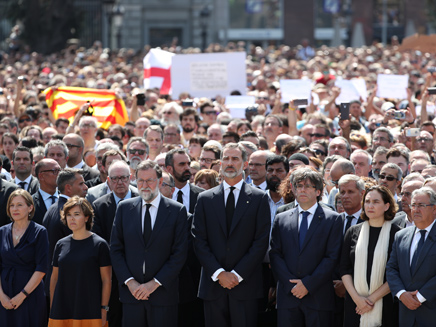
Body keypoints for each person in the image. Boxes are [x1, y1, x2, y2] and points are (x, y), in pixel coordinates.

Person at [192, 143, 271, 327]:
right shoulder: (205, 199)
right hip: (213, 286)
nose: (230, 163)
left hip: (245, 286)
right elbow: (198, 240)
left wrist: (236, 274)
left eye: (235, 159)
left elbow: (260, 242)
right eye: (226, 158)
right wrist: (219, 274)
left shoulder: (259, 198)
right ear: (220, 163)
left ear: (244, 164)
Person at [110, 160, 188, 327]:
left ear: (160, 182)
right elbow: (116, 249)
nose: (144, 185)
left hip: (163, 295)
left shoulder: (176, 210)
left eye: (149, 180)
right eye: (140, 180)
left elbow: (179, 253)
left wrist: (154, 284)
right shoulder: (124, 208)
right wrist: (130, 283)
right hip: (132, 295)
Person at [269, 167, 342, 327]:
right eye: (299, 186)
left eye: (308, 186)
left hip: (318, 298)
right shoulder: (281, 219)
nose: (302, 190)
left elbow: (332, 257)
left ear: (318, 191)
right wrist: (291, 285)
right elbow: (275, 254)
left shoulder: (333, 219)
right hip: (288, 297)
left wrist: (307, 284)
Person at [340, 185, 401, 327]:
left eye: (375, 202)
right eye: (367, 202)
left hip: (385, 304)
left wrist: (371, 300)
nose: (370, 206)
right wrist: (358, 300)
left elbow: (397, 272)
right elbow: (344, 269)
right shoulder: (353, 232)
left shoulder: (398, 234)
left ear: (387, 206)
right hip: (355, 304)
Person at [49, 196, 111, 326]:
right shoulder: (60, 244)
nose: (72, 218)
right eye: (68, 215)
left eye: (77, 214)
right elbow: (54, 279)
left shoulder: (100, 245)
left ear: (87, 217)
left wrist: (104, 309)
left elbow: (106, 280)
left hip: (90, 310)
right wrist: (52, 307)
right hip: (62, 310)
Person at [387, 187, 436, 327]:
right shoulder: (401, 235)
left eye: (421, 205)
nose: (416, 209)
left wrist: (420, 297)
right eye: (413, 205)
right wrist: (402, 294)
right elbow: (391, 268)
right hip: (406, 314)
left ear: (434, 209)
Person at [0, 189, 49, 326]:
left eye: (20, 205)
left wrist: (22, 295)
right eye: (12, 205)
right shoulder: (1, 232)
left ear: (30, 207)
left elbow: (42, 267)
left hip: (30, 294)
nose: (15, 209)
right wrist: (2, 297)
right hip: (4, 294)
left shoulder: (40, 232)